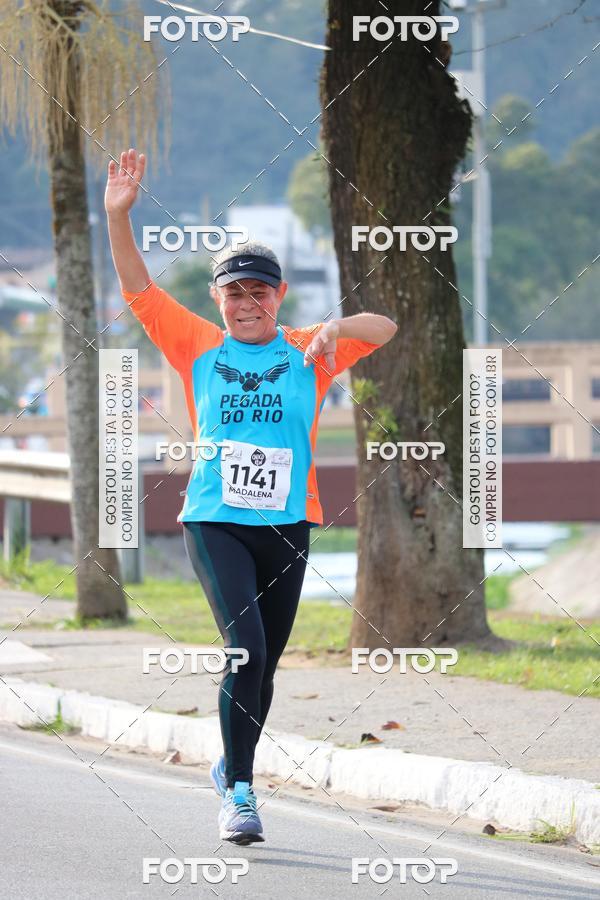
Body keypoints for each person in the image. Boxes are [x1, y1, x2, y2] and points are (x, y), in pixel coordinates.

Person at [105, 148, 397, 844]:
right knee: (245, 650)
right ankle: (240, 794)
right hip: (216, 520)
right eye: (234, 292)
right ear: (218, 299)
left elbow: (386, 328)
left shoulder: (309, 350)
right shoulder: (198, 346)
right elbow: (138, 290)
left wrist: (339, 329)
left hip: (290, 523)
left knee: (266, 663)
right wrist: (118, 215)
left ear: (279, 294)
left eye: (258, 291)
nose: (246, 303)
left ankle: (231, 761)